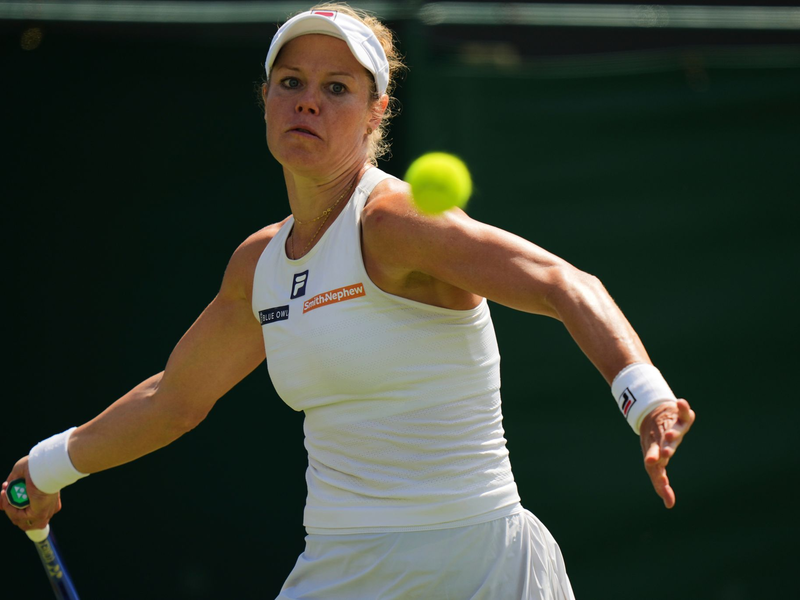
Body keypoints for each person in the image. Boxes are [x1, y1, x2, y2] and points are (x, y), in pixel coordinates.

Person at [2, 4, 695, 598]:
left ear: (375, 112)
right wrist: (51, 464)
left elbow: (565, 285)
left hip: (476, 567)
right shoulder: (259, 264)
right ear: (266, 98)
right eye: (291, 82)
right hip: (340, 567)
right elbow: (174, 400)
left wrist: (646, 397)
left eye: (337, 88)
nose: (308, 101)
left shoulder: (396, 224)